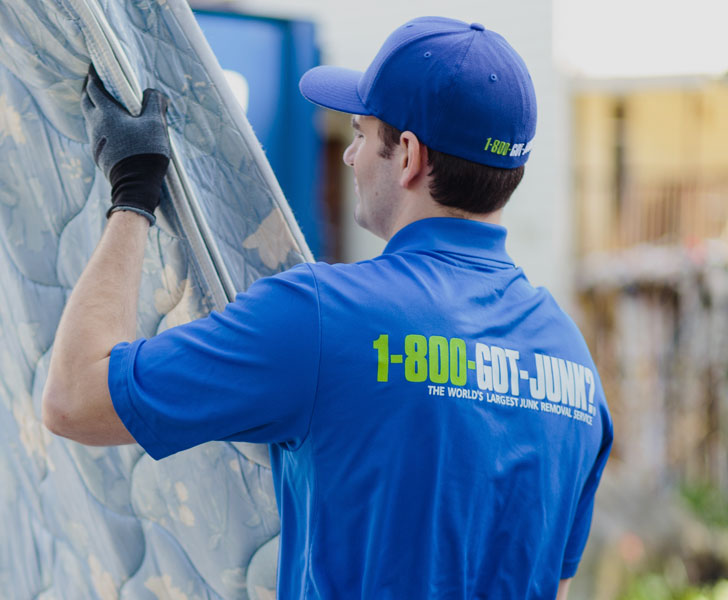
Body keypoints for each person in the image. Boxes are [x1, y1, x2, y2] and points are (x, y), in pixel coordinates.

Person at [43, 17, 613, 598]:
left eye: (361, 133)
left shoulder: (321, 319)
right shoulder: (575, 366)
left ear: (410, 156)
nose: (351, 156)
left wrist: (133, 194)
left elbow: (75, 400)